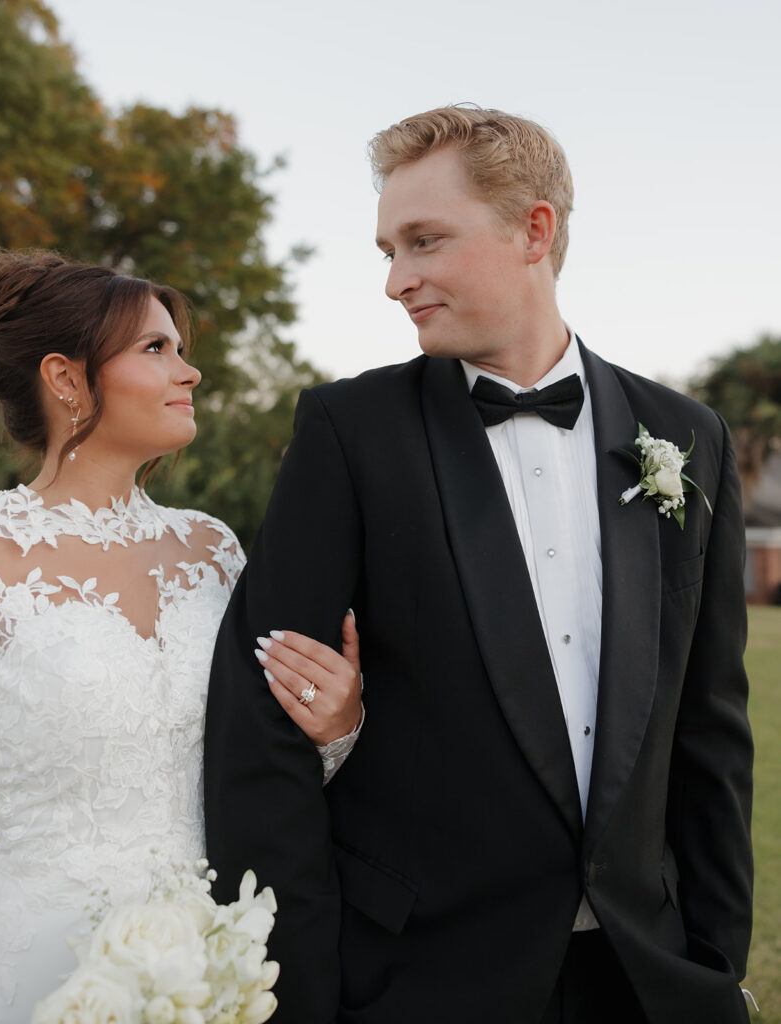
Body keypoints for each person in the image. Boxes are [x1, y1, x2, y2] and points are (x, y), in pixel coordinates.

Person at [204, 106, 753, 1024]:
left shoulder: (686, 435)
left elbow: (709, 729)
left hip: (644, 976)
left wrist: (711, 957)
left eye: (423, 242)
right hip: (420, 977)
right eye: (387, 249)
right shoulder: (348, 434)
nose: (394, 281)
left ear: (534, 229)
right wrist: (296, 988)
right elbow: (261, 735)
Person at [0, 249, 363, 1022]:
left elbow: (267, 754)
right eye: (156, 349)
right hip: (38, 967)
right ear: (66, 378)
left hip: (217, 965)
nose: (190, 373)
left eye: (181, 349)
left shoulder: (213, 550)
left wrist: (338, 720)